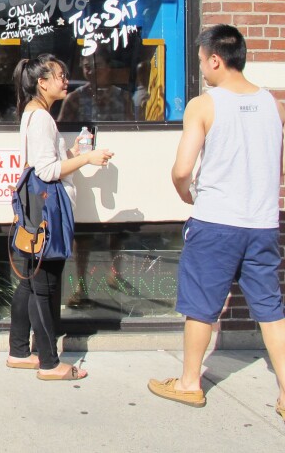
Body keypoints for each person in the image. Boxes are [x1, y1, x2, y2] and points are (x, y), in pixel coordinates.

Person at [149, 25, 285, 420]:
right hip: (261, 223)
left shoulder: (204, 105)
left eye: (200, 62)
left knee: (201, 307)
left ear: (215, 59)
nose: (201, 70)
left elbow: (181, 169)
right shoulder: (274, 106)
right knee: (271, 310)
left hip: (216, 222)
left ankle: (190, 383)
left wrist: (185, 193)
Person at [6, 54, 113, 380]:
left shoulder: (33, 113)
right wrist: (88, 159)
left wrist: (74, 153)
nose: (66, 81)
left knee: (29, 283)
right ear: (42, 82)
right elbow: (47, 171)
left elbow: (46, 160)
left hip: (35, 212)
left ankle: (19, 351)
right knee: (44, 286)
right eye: (60, 75)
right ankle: (50, 363)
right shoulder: (41, 119)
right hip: (47, 213)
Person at [58, 46, 134, 123]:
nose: (92, 71)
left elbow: (132, 129)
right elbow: (63, 130)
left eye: (97, 66)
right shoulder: (74, 99)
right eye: (87, 67)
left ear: (108, 66)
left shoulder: (124, 98)